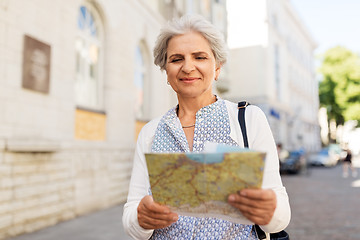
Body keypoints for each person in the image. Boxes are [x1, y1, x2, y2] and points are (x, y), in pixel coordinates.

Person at [122, 15, 291, 239]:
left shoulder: (248, 120)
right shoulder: (150, 132)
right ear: (166, 71)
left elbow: (279, 216)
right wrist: (141, 219)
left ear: (217, 67)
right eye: (176, 59)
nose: (188, 67)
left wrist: (270, 210)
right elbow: (132, 217)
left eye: (199, 57)